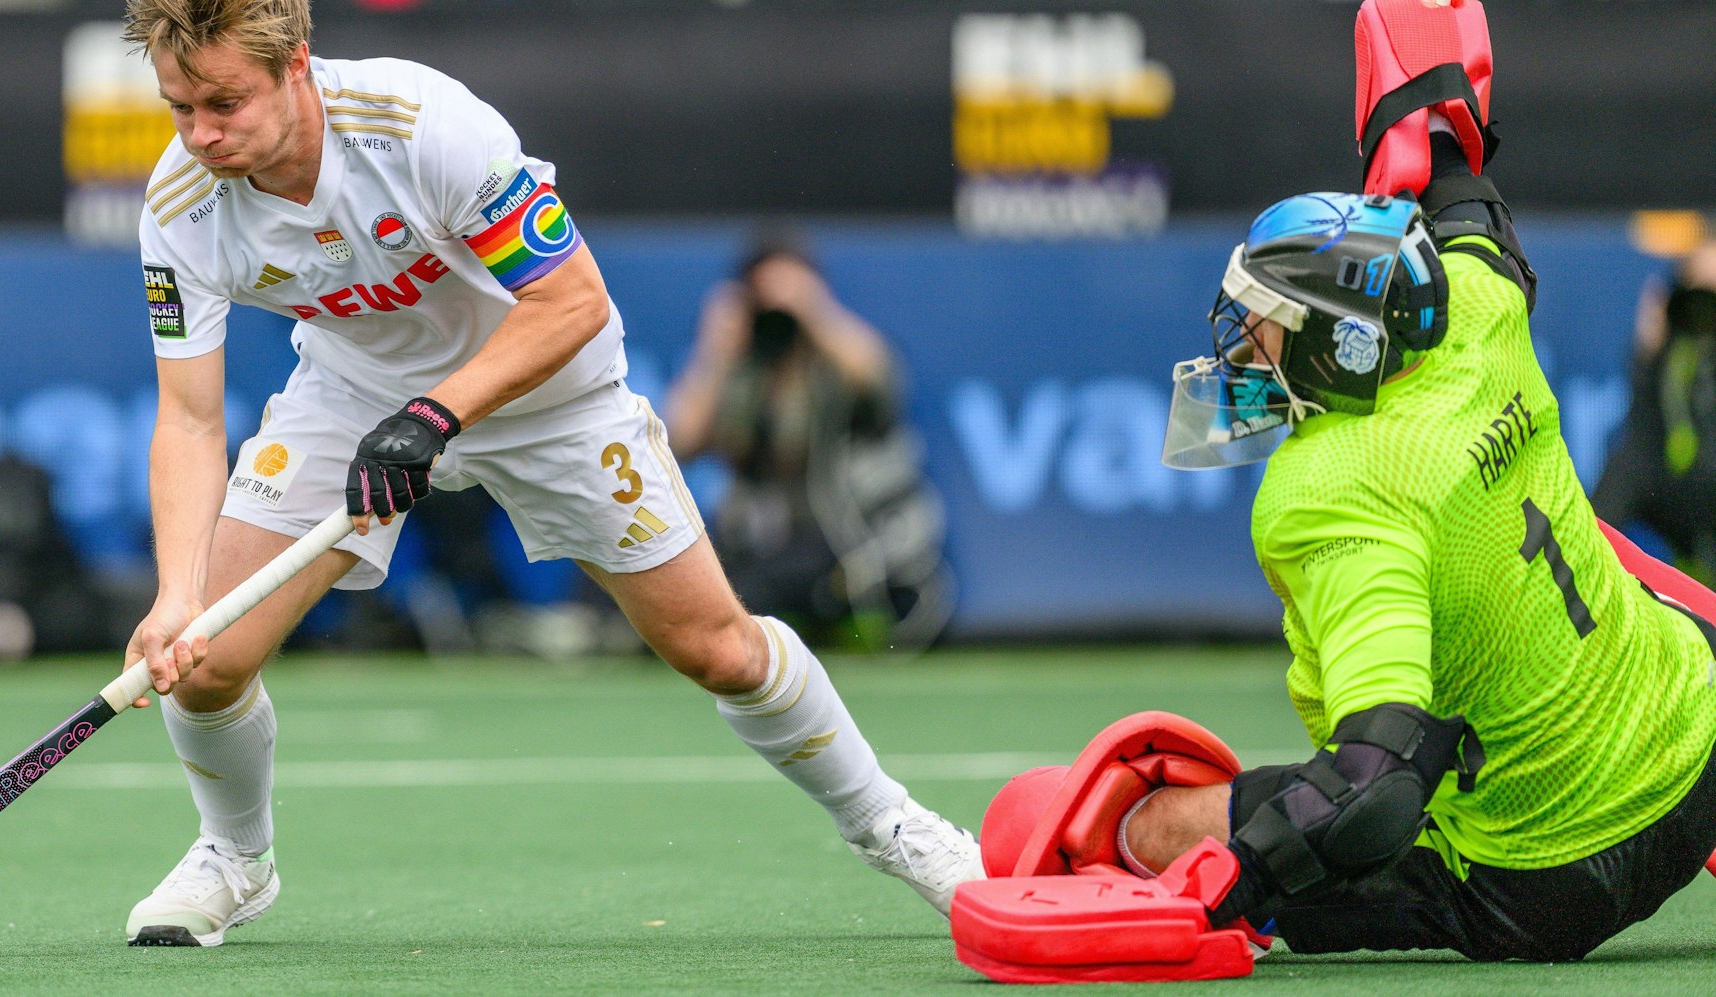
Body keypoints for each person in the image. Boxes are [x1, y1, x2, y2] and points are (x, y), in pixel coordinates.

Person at [115, 0, 978, 948]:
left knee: (715, 648)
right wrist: (176, 597)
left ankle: (892, 823)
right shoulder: (180, 205)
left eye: (223, 104)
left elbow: (569, 304)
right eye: (179, 109)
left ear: (296, 65)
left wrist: (436, 416)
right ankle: (234, 857)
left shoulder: (420, 122)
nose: (201, 135)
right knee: (206, 655)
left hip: (547, 388)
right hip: (351, 396)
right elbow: (189, 414)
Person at [1054, 125, 1716, 962]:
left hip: (1552, 879)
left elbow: (1376, 786)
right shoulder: (1480, 306)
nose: (1245, 336)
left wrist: (1238, 877)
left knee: (1143, 826)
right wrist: (1416, 113)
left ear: (1336, 341)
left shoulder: (1332, 486)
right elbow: (1465, 193)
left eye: (1267, 318)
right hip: (1701, 740)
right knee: (1597, 544)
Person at [667, 233, 951, 649]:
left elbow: (884, 381)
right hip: (766, 540)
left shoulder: (838, 357)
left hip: (851, 543)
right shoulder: (742, 371)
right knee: (690, 572)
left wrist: (810, 309)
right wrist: (715, 350)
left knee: (764, 589)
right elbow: (679, 442)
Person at [1593, 226, 1716, 588]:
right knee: (1626, 467)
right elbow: (1643, 428)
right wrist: (1648, 350)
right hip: (1666, 475)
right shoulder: (1669, 341)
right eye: (1697, 293)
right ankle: (1578, 583)